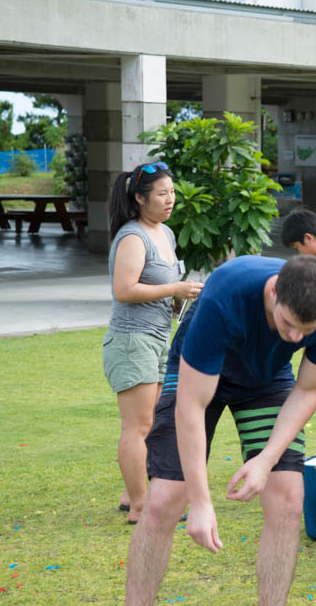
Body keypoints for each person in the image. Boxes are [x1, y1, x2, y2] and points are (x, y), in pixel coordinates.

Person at [125, 255, 316, 605]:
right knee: (165, 498)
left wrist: (266, 460)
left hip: (266, 378)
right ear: (273, 290)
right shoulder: (225, 295)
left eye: (305, 332)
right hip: (200, 371)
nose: (294, 337)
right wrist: (200, 502)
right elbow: (192, 406)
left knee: (288, 497)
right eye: (288, 322)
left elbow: (307, 390)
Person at [104, 161, 202, 524]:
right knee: (139, 425)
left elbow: (155, 284)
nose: (170, 199)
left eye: (172, 192)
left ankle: (135, 494)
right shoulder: (133, 236)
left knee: (158, 421)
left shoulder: (166, 233)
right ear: (140, 199)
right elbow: (124, 289)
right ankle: (142, 507)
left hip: (160, 338)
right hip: (133, 340)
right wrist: (175, 288)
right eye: (162, 194)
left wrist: (175, 299)